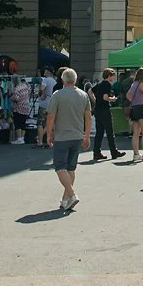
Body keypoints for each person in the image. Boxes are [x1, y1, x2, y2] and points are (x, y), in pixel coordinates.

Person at [46, 68, 92, 211]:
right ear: (75, 80)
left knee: (60, 167)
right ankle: (66, 199)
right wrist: (87, 135)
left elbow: (51, 117)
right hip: (77, 135)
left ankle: (71, 194)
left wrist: (49, 133)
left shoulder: (57, 95)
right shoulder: (83, 95)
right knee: (71, 168)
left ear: (63, 80)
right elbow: (88, 117)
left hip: (62, 136)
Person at [92, 68, 125, 160]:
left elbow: (90, 91)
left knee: (99, 132)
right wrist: (112, 99)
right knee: (110, 131)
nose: (114, 78)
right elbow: (105, 97)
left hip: (98, 109)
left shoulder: (99, 84)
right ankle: (114, 152)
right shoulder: (107, 85)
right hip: (105, 109)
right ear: (109, 76)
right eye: (113, 76)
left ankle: (96, 152)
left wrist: (95, 100)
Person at [126, 67, 143, 161]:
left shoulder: (134, 83)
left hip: (134, 108)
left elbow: (128, 96)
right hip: (141, 108)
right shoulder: (142, 83)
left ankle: (136, 154)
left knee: (136, 134)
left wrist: (134, 100)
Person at [9, 76, 31, 145]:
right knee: (23, 123)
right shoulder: (25, 86)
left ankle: (19, 138)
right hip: (26, 106)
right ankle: (22, 138)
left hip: (19, 107)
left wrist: (11, 98)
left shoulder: (17, 89)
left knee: (17, 123)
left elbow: (17, 99)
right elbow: (29, 93)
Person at [35, 72, 53, 148]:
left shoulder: (45, 80)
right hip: (51, 104)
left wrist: (41, 94)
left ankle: (40, 141)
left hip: (43, 104)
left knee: (40, 123)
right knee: (49, 123)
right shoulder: (54, 81)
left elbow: (42, 88)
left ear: (48, 72)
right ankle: (48, 141)